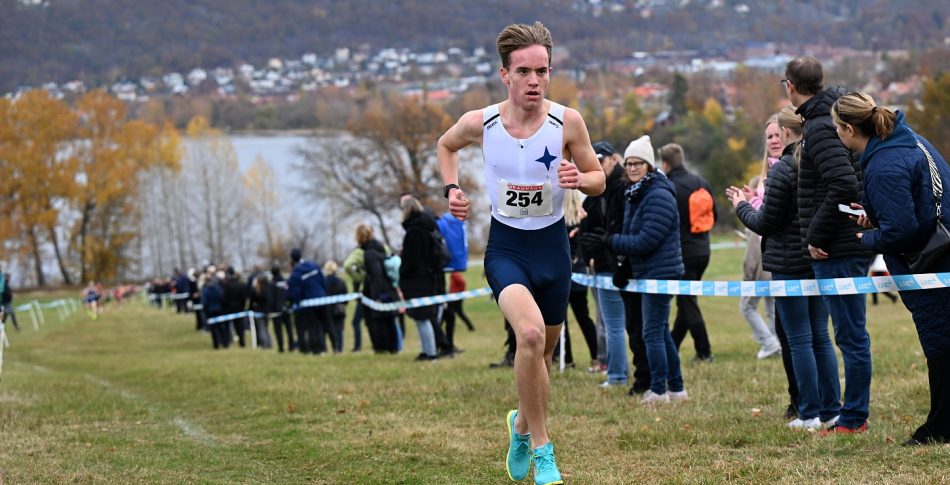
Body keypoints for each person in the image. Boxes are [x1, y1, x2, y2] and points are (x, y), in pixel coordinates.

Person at [436, 21, 605, 485]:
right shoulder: (482, 122)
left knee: (542, 355)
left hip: (552, 250)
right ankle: (544, 449)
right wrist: (452, 189)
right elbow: (445, 145)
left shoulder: (567, 121)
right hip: (507, 247)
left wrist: (579, 179)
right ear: (505, 75)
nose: (535, 81)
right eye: (525, 72)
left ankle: (520, 426)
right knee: (528, 337)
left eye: (543, 71)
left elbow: (599, 179)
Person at [832, 91, 950, 445]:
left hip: (931, 263)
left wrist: (866, 238)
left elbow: (901, 231)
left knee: (941, 344)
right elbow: (922, 200)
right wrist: (880, 214)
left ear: (850, 129)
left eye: (837, 128)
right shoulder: (911, 140)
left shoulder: (884, 165)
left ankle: (940, 426)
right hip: (941, 250)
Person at [730, 105, 841, 431]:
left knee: (800, 340)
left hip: (789, 264)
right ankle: (831, 409)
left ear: (789, 132)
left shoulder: (782, 170)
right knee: (821, 336)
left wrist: (741, 205)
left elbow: (765, 221)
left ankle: (808, 412)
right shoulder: (817, 163)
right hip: (815, 259)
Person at [785, 56, 872, 435]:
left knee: (850, 336)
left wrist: (815, 236)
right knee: (846, 334)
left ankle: (853, 418)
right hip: (840, 243)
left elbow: (843, 184)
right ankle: (850, 413)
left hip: (837, 248)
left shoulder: (820, 128)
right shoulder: (825, 120)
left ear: (789, 86)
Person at [609, 135, 687, 407]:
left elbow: (646, 240)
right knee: (661, 331)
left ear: (649, 166)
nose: (631, 168)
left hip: (660, 273)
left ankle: (658, 389)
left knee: (651, 333)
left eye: (638, 163)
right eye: (628, 163)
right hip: (649, 272)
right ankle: (676, 387)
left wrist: (611, 241)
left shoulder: (657, 194)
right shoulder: (637, 192)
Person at [578, 140, 640, 389]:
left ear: (614, 159)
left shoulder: (621, 189)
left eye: (601, 160)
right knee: (614, 323)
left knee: (617, 324)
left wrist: (599, 243)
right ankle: (623, 372)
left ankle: (617, 375)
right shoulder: (597, 191)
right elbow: (589, 222)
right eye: (594, 161)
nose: (598, 165)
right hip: (605, 262)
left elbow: (615, 227)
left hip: (617, 263)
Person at [658, 143, 717, 363]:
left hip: (683, 251)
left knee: (687, 301)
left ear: (664, 163)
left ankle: (705, 351)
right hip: (703, 249)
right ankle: (673, 345)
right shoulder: (701, 182)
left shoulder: (669, 186)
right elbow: (715, 216)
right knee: (686, 300)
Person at [738, 119, 782, 360]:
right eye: (769, 137)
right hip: (767, 248)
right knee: (773, 306)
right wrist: (754, 198)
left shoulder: (785, 168)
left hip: (770, 251)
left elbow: (771, 215)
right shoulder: (766, 173)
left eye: (777, 135)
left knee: (748, 305)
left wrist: (748, 204)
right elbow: (767, 209)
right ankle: (777, 343)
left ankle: (771, 342)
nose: (773, 141)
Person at [556, 186, 598, 369]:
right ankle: (597, 356)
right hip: (579, 273)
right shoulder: (583, 217)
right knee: (584, 318)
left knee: (559, 320)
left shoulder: (555, 218)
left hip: (561, 275)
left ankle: (567, 359)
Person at [398, 196, 441, 361]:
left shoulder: (414, 232)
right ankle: (426, 351)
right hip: (425, 278)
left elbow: (412, 259)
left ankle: (431, 353)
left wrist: (402, 271)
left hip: (417, 280)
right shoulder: (425, 229)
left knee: (423, 318)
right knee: (420, 318)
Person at [357, 224, 401, 353]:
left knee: (379, 321)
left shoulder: (369, 254)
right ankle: (393, 348)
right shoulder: (380, 248)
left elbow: (376, 275)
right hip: (389, 289)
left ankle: (382, 348)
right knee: (390, 320)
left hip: (381, 292)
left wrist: (376, 296)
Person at [288, 248, 328, 355]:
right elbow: (323, 280)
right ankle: (323, 348)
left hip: (308, 303)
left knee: (312, 326)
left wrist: (298, 302)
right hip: (322, 299)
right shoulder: (313, 265)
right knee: (321, 325)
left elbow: (294, 291)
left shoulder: (296, 272)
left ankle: (316, 349)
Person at [343, 246, 365, 352]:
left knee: (356, 322)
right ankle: (358, 345)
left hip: (364, 297)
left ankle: (358, 346)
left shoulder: (360, 267)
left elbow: (357, 281)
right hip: (362, 297)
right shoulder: (358, 267)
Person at [269, 265, 295, 353]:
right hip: (286, 308)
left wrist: (271, 309)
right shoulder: (285, 281)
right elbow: (290, 294)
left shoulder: (272, 283)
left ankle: (281, 348)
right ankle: (291, 346)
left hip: (276, 310)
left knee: (278, 330)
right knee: (289, 329)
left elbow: (271, 298)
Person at [443, 271, 475, 338]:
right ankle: (470, 326)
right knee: (459, 312)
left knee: (452, 312)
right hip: (454, 297)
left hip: (456, 297)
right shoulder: (454, 273)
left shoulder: (455, 273)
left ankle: (470, 326)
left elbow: (462, 282)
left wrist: (459, 293)